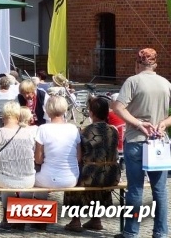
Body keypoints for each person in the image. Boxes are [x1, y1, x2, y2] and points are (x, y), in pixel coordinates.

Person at [113, 48, 171, 238]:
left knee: (135, 188)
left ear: (137, 63)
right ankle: (161, 233)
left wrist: (138, 122)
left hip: (136, 140)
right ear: (155, 64)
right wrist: (164, 123)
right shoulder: (165, 83)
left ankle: (131, 232)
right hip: (158, 143)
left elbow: (118, 107)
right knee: (160, 191)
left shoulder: (133, 81)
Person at [64, 96, 121, 232]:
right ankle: (96, 219)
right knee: (100, 172)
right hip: (112, 175)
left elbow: (79, 156)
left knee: (73, 180)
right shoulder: (113, 130)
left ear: (91, 113)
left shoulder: (85, 131)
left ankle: (75, 220)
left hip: (91, 175)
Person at [0, 101, 36, 231]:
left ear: (4, 116)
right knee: (8, 181)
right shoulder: (29, 133)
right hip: (27, 179)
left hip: (4, 178)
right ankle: (8, 219)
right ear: (18, 116)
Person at [33, 94, 80, 231]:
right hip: (71, 178)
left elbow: (38, 159)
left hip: (48, 178)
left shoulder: (43, 129)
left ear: (47, 110)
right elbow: (78, 157)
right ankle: (75, 219)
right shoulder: (73, 129)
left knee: (35, 181)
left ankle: (41, 219)